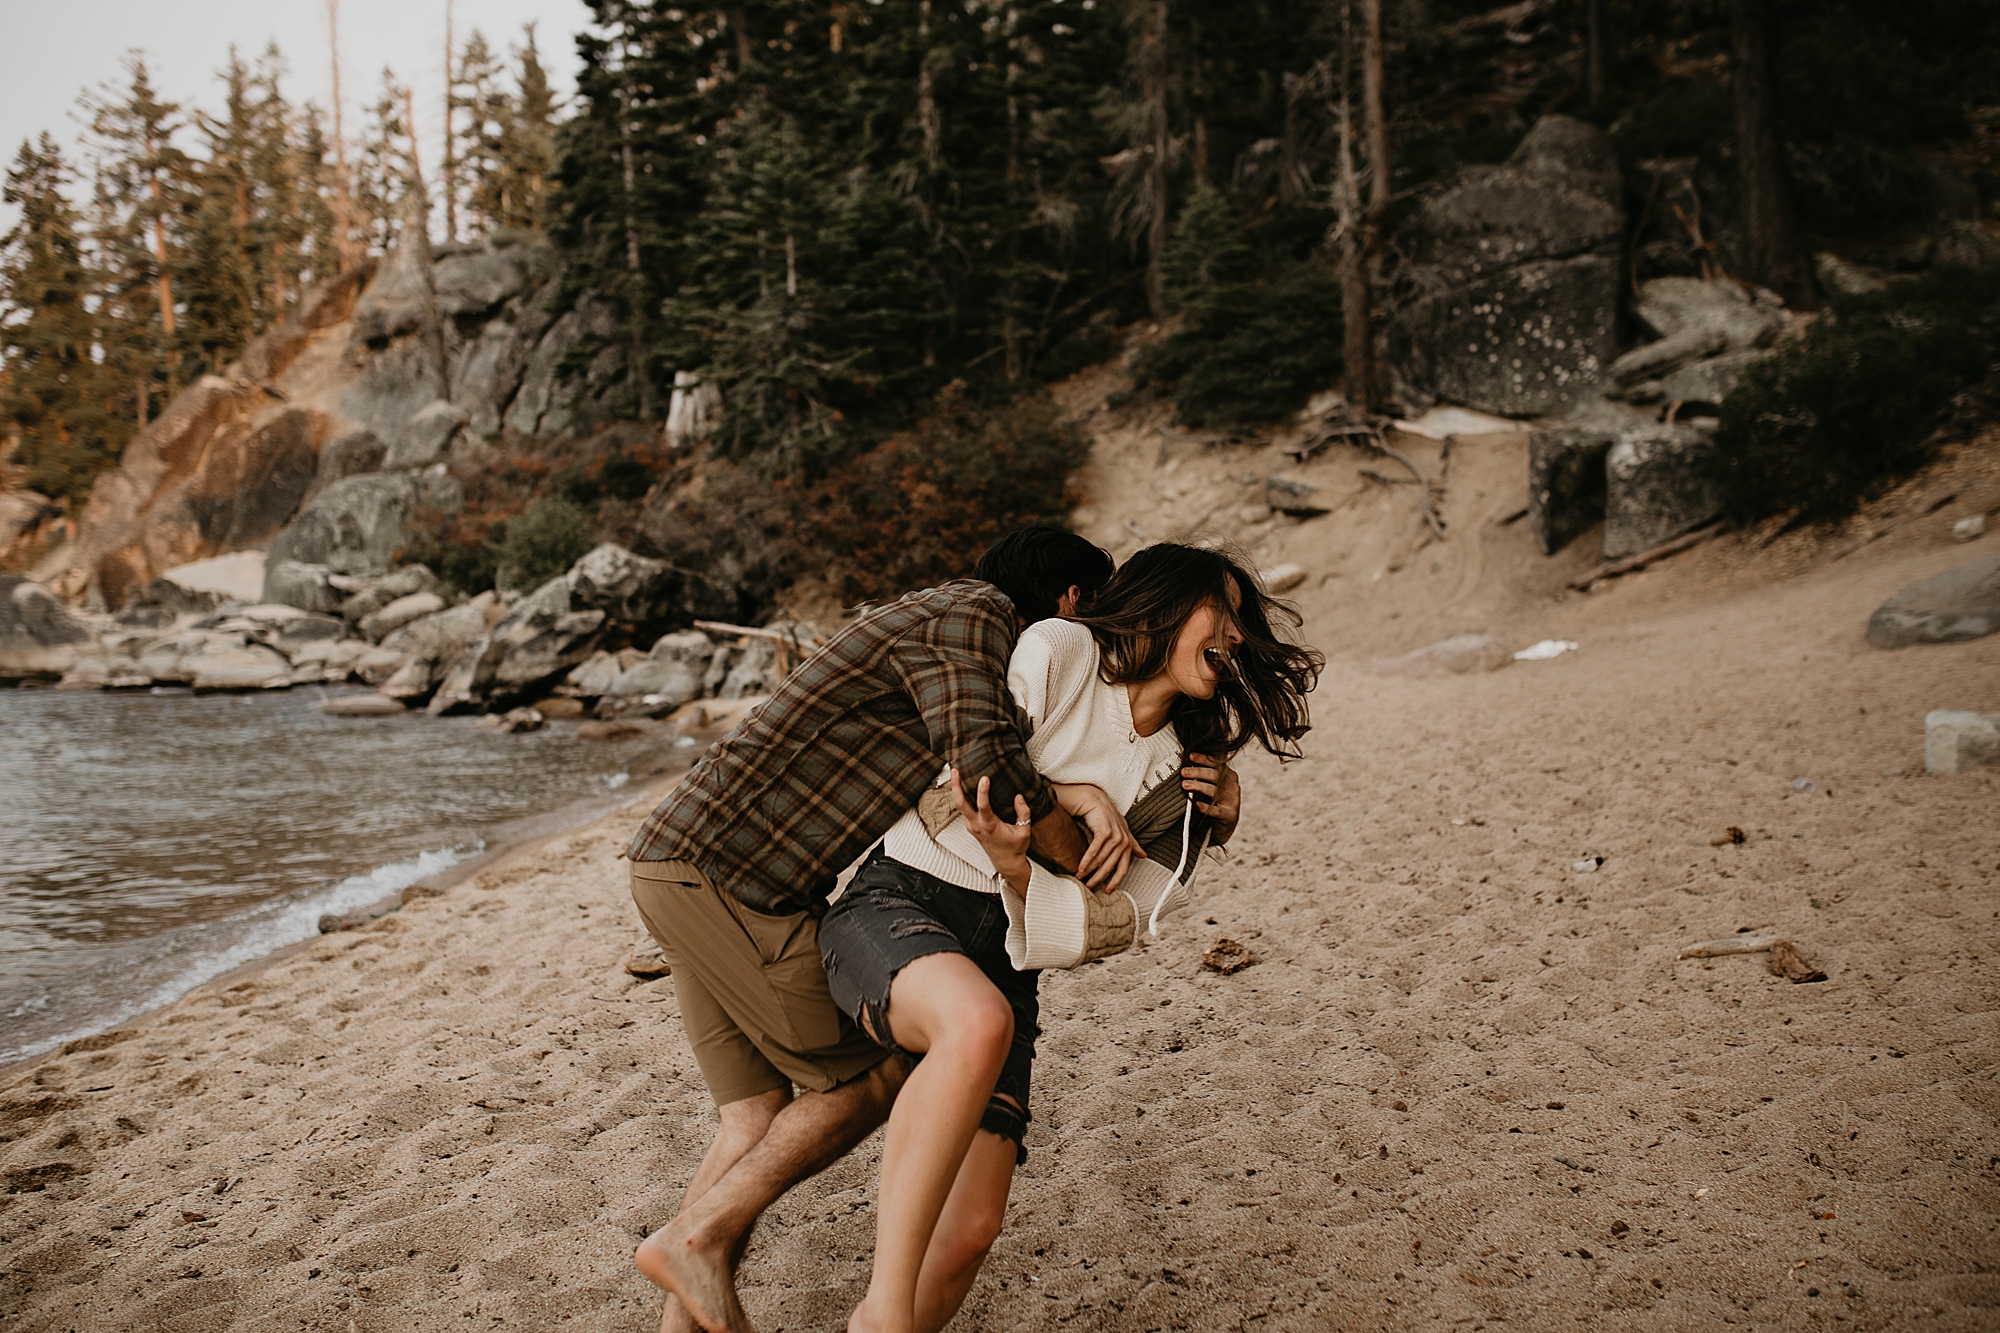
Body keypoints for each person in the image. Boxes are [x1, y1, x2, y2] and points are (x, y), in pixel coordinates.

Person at [625, 527, 1127, 1333]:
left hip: (679, 859)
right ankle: (696, 1236)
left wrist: (1080, 787)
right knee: (881, 1070)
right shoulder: (977, 615)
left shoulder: (939, 623)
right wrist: (1077, 850)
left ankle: (685, 1297)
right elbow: (986, 762)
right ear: (1071, 601)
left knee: (752, 1119)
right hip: (734, 881)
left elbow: (979, 749)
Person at [816, 542, 1324, 1333]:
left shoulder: (1185, 770)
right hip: (903, 897)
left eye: (1243, 626)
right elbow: (966, 768)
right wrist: (1072, 794)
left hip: (1008, 963)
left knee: (975, 1228)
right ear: (1159, 602)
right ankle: (883, 1311)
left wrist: (1022, 874)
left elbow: (1130, 918)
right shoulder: (1061, 649)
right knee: (976, 1022)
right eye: (1220, 611)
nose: (1236, 637)